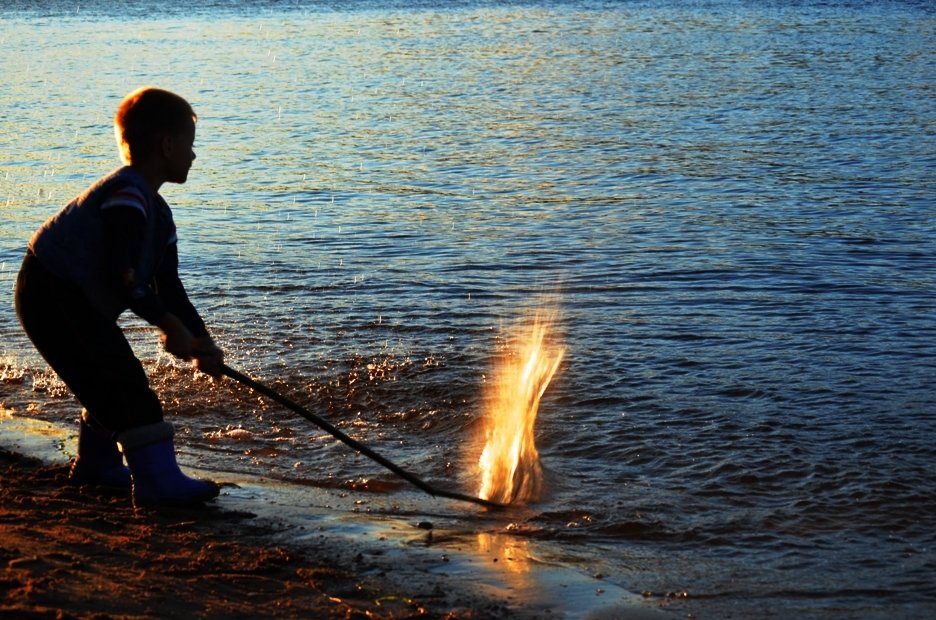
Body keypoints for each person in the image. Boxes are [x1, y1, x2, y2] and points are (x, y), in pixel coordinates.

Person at [14, 87, 223, 508]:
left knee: (109, 379)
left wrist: (201, 342)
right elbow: (124, 275)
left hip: (77, 300)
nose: (194, 157)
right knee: (124, 386)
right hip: (50, 293)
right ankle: (158, 485)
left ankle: (99, 465)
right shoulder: (125, 196)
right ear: (167, 145)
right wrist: (167, 324)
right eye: (190, 146)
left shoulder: (158, 213)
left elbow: (170, 288)